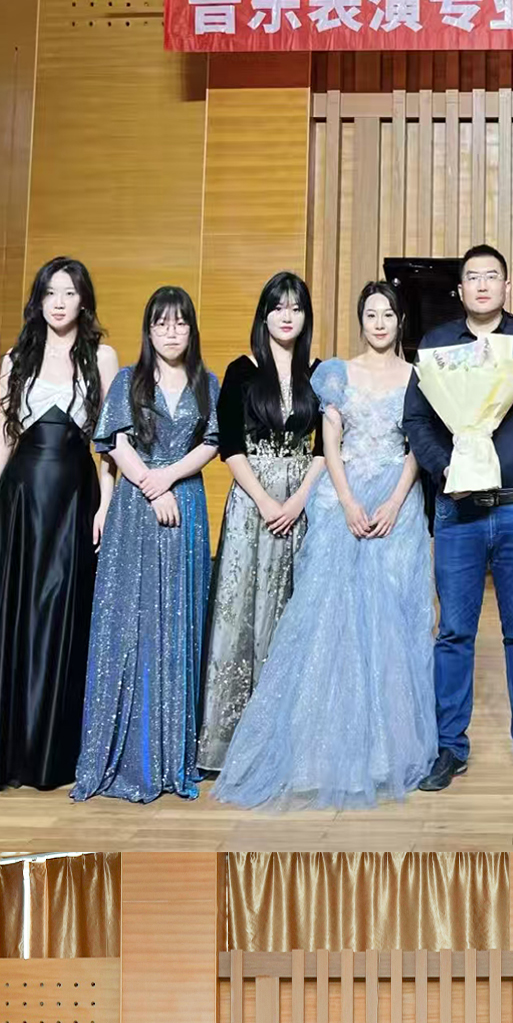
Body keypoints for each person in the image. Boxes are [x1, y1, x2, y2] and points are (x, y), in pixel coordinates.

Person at [216, 281, 435, 812]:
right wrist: (349, 500)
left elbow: (417, 446)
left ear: (400, 322)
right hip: (343, 501)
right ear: (361, 321)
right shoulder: (336, 373)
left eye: (388, 314)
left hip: (398, 503)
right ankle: (322, 752)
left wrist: (395, 501)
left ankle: (387, 752)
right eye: (371, 314)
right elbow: (329, 444)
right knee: (333, 619)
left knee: (393, 621)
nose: (379, 323)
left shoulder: (418, 376)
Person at [0, 258, 114, 792]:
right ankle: (6, 750)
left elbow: (109, 442)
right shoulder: (17, 358)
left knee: (61, 613)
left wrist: (106, 506)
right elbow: (3, 435)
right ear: (38, 300)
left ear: (84, 301)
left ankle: (50, 754)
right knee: (9, 616)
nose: (59, 302)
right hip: (19, 500)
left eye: (69, 293)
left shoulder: (103, 357)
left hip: (74, 499)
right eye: (50, 293)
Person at [403, 244, 513, 792]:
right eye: (471, 277)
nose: (481, 285)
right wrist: (446, 468)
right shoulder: (436, 345)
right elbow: (416, 421)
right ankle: (449, 746)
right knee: (454, 632)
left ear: (506, 286)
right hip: (459, 513)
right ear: (459, 289)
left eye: (491, 276)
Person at [76, 285, 216, 804]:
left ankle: (172, 756)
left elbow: (212, 443)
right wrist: (150, 485)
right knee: (130, 623)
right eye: (161, 323)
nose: (171, 332)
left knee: (177, 624)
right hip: (135, 510)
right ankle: (127, 755)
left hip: (186, 507)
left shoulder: (208, 382)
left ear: (191, 329)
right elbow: (114, 442)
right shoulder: (127, 380)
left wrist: (168, 479)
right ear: (149, 330)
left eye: (180, 323)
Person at [200, 274, 315, 776]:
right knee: (242, 615)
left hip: (303, 504)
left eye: (296, 308)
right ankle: (233, 744)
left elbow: (326, 447)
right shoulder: (241, 370)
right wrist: (268, 501)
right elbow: (229, 446)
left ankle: (290, 742)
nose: (287, 316)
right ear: (264, 315)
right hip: (254, 505)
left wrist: (299, 498)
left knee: (293, 612)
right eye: (278, 307)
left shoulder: (317, 373)